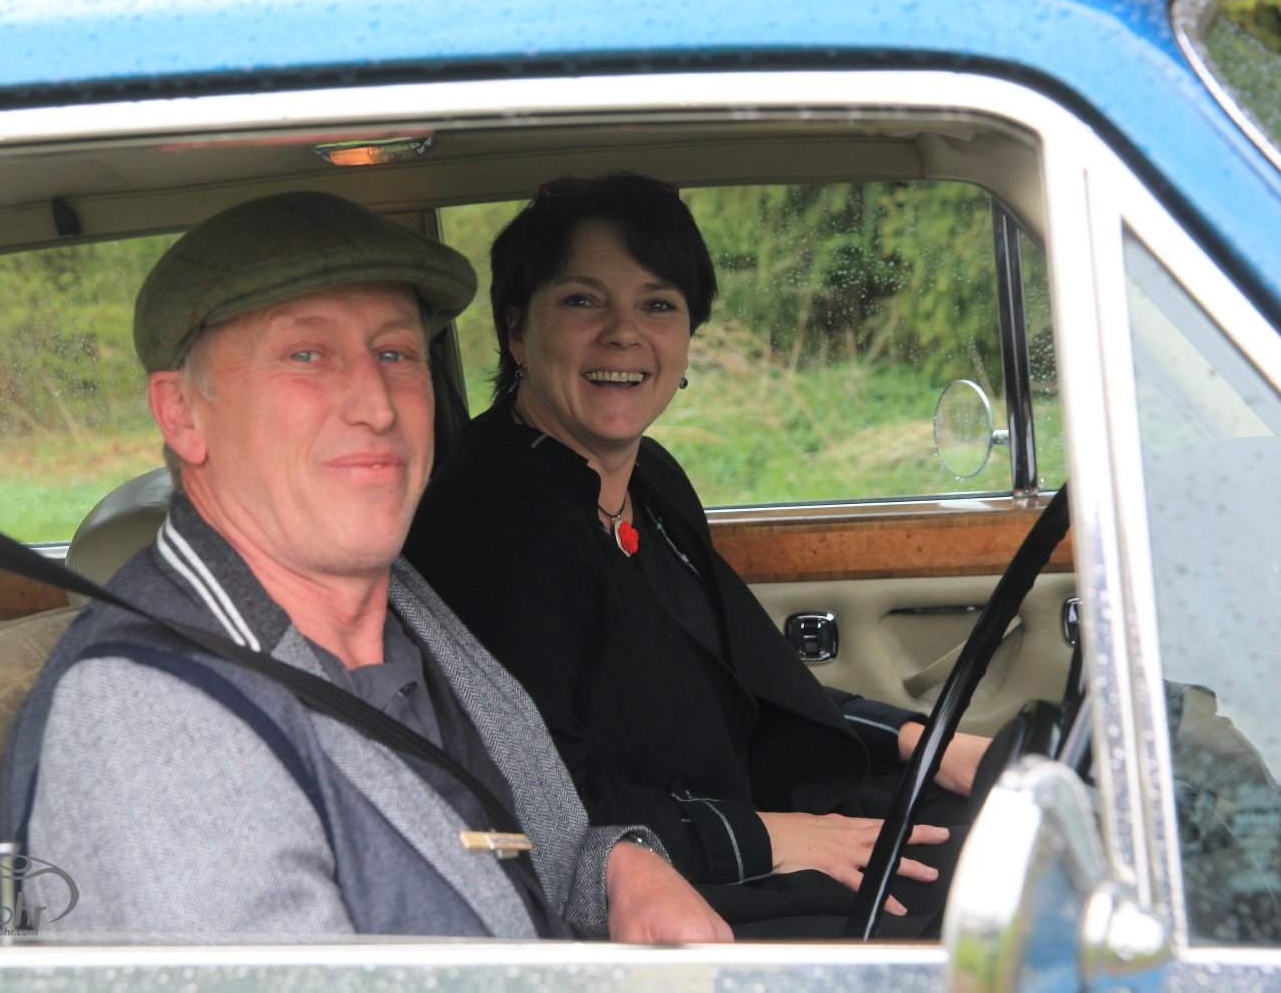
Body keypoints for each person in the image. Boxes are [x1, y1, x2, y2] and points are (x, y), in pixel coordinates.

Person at [0, 190, 730, 942]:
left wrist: (618, 869)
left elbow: (527, 849)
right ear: (182, 413)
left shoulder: (400, 606)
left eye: (394, 354)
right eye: (307, 355)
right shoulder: (149, 730)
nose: (376, 406)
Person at [404, 175, 990, 937]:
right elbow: (539, 807)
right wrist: (766, 837)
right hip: (648, 885)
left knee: (999, 822)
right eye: (582, 300)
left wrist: (923, 743)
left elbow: (744, 685)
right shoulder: (488, 522)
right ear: (518, 331)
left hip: (738, 818)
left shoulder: (650, 478)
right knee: (970, 908)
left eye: (658, 305)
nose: (624, 333)